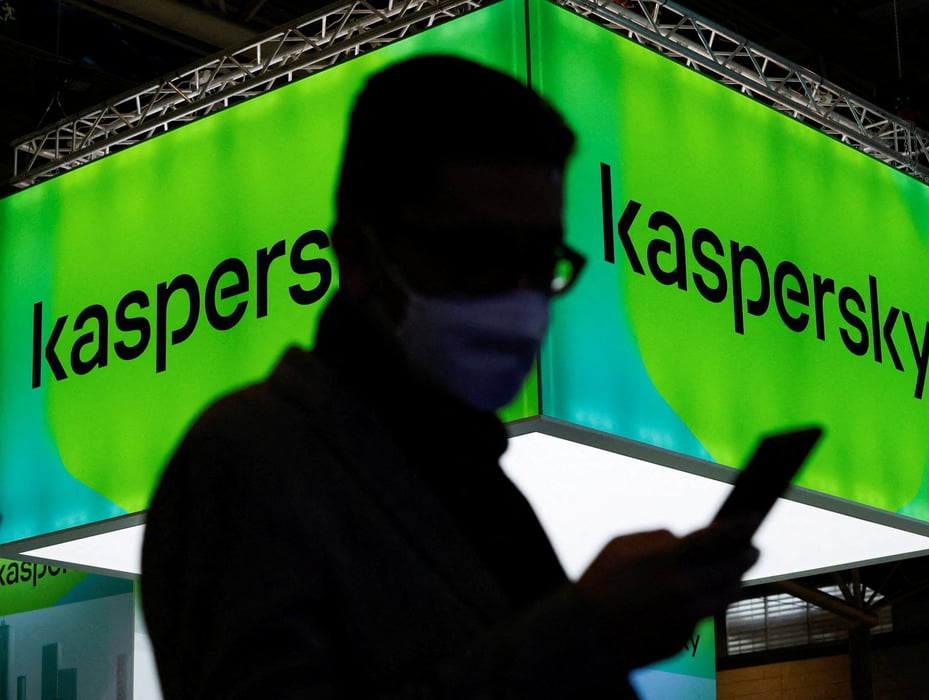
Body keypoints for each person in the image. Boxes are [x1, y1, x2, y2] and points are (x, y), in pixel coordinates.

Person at [141, 54, 759, 699]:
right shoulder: (251, 456)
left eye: (539, 260)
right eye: (475, 254)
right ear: (358, 257)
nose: (518, 299)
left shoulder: (471, 476)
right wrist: (585, 633)